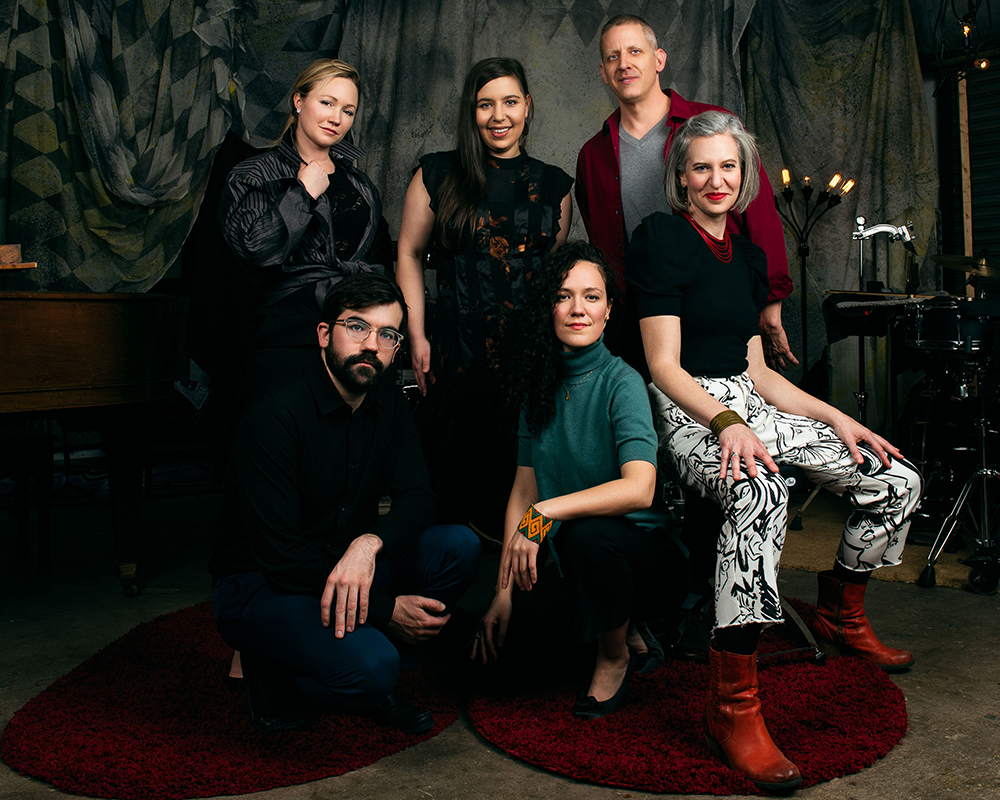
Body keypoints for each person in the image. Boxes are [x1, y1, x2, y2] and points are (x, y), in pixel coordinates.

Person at [626, 111, 922, 790]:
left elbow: (759, 374)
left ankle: (843, 615)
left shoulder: (752, 256)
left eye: (728, 166)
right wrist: (728, 423)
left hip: (750, 401)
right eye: (700, 166)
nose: (716, 179)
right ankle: (734, 708)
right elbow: (663, 366)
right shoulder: (660, 240)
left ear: (745, 175)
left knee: (894, 474)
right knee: (762, 490)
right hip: (691, 409)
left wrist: (840, 419)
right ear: (681, 178)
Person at [209, 274, 481, 735]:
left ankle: (373, 655)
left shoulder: (387, 402)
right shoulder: (273, 418)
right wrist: (386, 610)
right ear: (323, 335)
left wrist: (369, 543)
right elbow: (280, 557)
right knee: (372, 670)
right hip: (263, 585)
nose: (371, 345)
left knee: (459, 545)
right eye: (357, 327)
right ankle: (276, 671)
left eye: (387, 335)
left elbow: (419, 497)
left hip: (346, 563)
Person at [471, 241, 676, 720]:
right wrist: (501, 592)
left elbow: (640, 488)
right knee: (500, 672)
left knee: (588, 534)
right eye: (564, 296)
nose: (578, 309)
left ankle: (615, 655)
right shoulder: (538, 384)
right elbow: (523, 491)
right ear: (549, 309)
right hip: (571, 551)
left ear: (608, 311)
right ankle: (623, 627)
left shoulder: (621, 381)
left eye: (591, 297)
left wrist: (544, 515)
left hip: (641, 555)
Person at [397, 57, 574, 532]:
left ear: (527, 107)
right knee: (451, 481)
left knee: (532, 469)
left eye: (510, 102)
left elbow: (552, 279)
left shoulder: (554, 185)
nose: (499, 115)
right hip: (455, 351)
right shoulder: (436, 174)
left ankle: (522, 568)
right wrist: (416, 336)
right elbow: (409, 254)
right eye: (485, 104)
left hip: (532, 357)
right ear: (471, 113)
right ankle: (451, 579)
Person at [576, 14, 796, 372]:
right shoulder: (592, 155)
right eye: (613, 56)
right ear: (603, 72)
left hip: (716, 309)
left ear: (659, 59)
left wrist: (770, 306)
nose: (625, 64)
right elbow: (602, 246)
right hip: (640, 318)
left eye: (635, 51)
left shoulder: (712, 125)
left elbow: (761, 217)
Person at [219, 59, 392, 393]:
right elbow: (255, 252)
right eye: (327, 102)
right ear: (299, 101)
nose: (336, 118)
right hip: (287, 332)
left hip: (355, 330)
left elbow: (377, 256)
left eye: (348, 110)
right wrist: (303, 193)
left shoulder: (360, 183)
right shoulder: (253, 174)